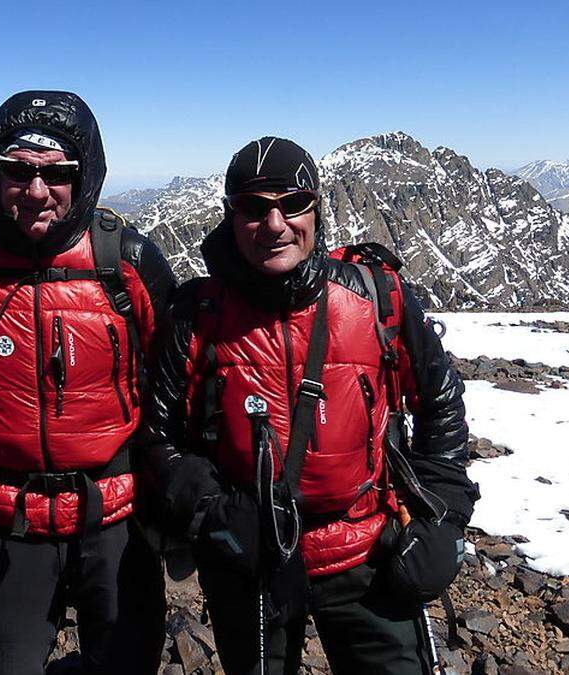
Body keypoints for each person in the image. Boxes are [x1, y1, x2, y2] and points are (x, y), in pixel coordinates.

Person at [142, 137, 479, 674]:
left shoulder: (378, 296)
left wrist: (444, 517)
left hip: (370, 551)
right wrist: (213, 512)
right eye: (253, 207)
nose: (275, 224)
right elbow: (157, 437)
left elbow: (440, 404)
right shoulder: (197, 317)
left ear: (317, 210)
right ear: (231, 217)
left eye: (292, 204)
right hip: (251, 560)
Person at [0, 91, 176, 674]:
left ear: (86, 178)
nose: (35, 190)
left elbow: (185, 365)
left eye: (57, 173)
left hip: (118, 523)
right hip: (11, 524)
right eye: (17, 171)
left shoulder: (123, 261)